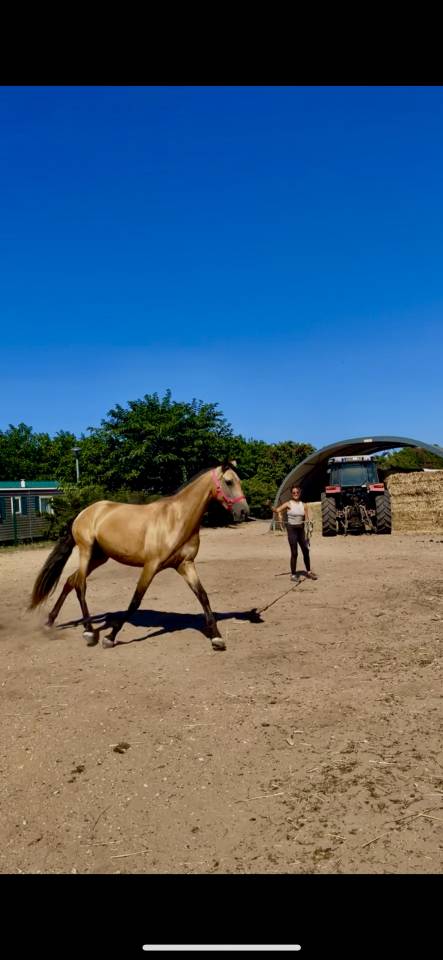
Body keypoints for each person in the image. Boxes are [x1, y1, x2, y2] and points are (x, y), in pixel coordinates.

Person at [273, 485, 318, 581]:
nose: (296, 494)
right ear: (291, 494)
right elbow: (277, 510)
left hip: (301, 530)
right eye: (294, 493)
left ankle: (309, 572)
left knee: (306, 551)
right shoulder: (288, 504)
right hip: (292, 530)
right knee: (294, 553)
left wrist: (308, 528)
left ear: (300, 493)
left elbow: (306, 519)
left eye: (297, 492)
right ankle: (293, 575)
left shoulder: (304, 505)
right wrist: (269, 506)